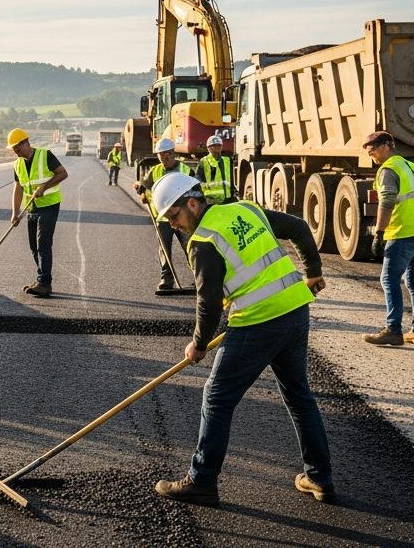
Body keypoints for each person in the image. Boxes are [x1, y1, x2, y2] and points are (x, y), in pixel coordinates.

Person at [150, 172, 333, 507]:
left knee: (217, 399)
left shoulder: (203, 240)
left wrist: (199, 344)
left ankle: (202, 480)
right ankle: (319, 477)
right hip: (294, 311)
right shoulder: (247, 209)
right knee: (299, 396)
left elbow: (206, 303)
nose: (173, 225)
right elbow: (300, 229)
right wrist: (313, 272)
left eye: (174, 216)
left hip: (258, 323)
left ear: (192, 202)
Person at [360, 131, 414, 347]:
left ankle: (393, 330)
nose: (369, 151)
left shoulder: (388, 170)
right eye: (367, 148)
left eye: (373, 146)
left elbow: (386, 202)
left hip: (403, 233)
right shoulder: (412, 167)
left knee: (389, 279)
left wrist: (379, 233)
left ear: (388, 145)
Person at [8, 128, 68, 297]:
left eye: (17, 148)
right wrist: (15, 213)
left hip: (49, 205)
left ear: (25, 143)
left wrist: (44, 187)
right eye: (14, 150)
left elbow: (63, 173)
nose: (16, 152)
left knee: (43, 245)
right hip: (31, 207)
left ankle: (44, 282)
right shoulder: (18, 164)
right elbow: (18, 188)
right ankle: (42, 278)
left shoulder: (45, 155)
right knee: (34, 247)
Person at [136, 138, 192, 293]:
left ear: (172, 153)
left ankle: (197, 276)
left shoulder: (186, 170)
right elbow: (144, 185)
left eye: (165, 156)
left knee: (190, 246)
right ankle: (166, 279)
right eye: (160, 157)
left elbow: (195, 189)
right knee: (165, 248)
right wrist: (140, 190)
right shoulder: (155, 171)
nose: (163, 160)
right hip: (164, 217)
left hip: (183, 216)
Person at [198, 135, 237, 205]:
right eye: (214, 146)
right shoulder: (204, 162)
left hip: (227, 200)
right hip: (210, 201)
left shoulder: (227, 160)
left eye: (219, 145)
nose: (217, 147)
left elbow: (232, 179)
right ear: (209, 148)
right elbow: (199, 182)